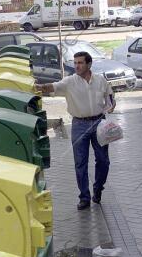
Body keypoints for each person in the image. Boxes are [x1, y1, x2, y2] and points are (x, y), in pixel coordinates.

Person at [35, 51, 115, 210]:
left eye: (80, 63)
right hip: (79, 125)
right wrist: (35, 87)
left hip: (99, 123)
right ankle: (84, 197)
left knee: (103, 161)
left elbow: (110, 97)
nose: (76, 66)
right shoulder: (69, 82)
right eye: (75, 62)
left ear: (89, 64)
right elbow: (51, 87)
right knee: (80, 163)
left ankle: (98, 189)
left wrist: (111, 106)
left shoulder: (100, 80)